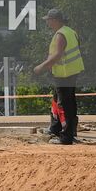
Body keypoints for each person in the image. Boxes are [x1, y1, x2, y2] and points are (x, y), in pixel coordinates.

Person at [33, 8, 85, 145]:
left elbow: (58, 55)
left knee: (64, 104)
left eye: (49, 20)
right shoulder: (70, 31)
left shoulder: (60, 34)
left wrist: (41, 67)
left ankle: (66, 136)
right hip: (72, 71)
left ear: (55, 20)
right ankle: (57, 128)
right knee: (61, 100)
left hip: (64, 74)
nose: (48, 23)